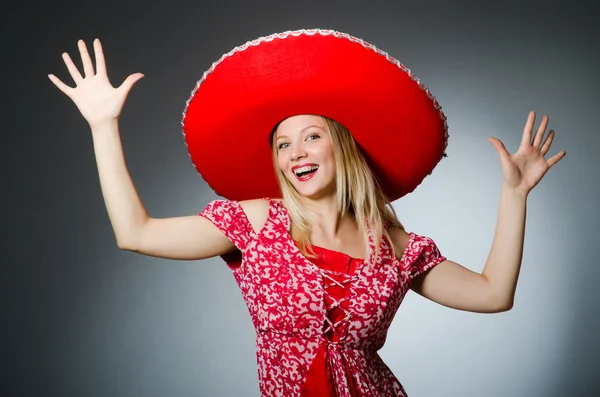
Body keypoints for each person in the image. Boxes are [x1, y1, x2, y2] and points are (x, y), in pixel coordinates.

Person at [49, 30, 566, 397]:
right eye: (282, 144)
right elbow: (135, 233)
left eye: (311, 137)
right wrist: (103, 125)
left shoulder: (397, 248)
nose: (295, 152)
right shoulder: (253, 224)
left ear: (341, 147)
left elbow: (494, 294)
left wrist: (514, 195)